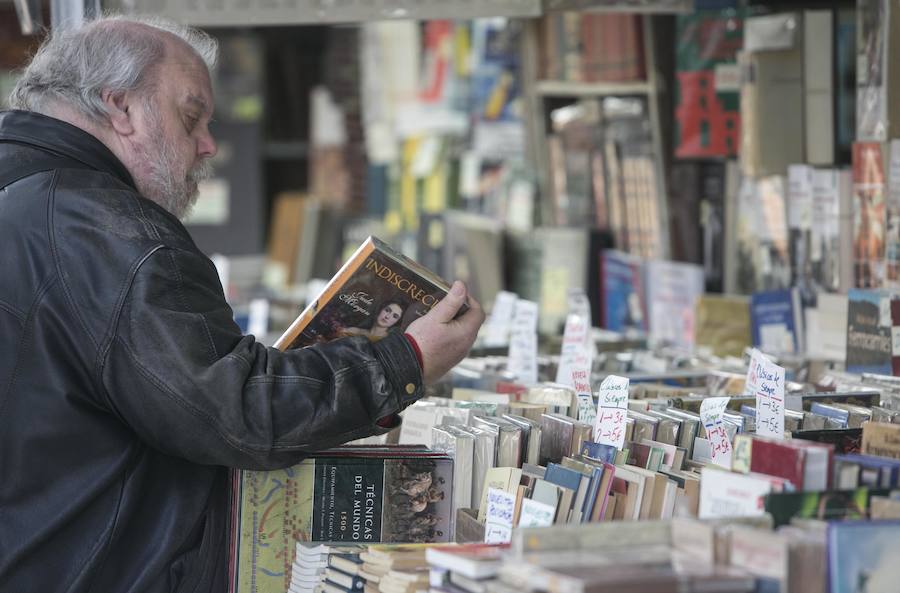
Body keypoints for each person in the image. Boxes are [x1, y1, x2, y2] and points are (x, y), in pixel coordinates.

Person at [0, 15, 484, 593]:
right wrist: (406, 360)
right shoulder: (105, 228)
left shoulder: (24, 196)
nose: (208, 144)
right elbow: (232, 413)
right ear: (119, 107)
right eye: (190, 117)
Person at [340, 299, 406, 341]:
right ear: (380, 309)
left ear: (397, 322)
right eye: (387, 310)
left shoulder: (387, 342)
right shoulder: (353, 331)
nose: (387, 316)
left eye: (395, 316)